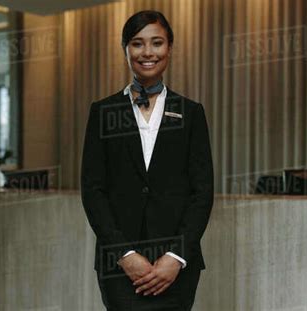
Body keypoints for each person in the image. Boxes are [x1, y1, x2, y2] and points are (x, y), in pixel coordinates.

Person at [81, 10, 214, 311]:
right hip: (119, 267)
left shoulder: (191, 113)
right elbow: (93, 191)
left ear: (170, 48)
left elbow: (202, 192)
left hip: (175, 268)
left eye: (157, 43)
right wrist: (124, 254)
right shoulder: (103, 112)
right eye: (138, 44)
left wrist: (176, 256)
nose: (148, 52)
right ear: (125, 49)